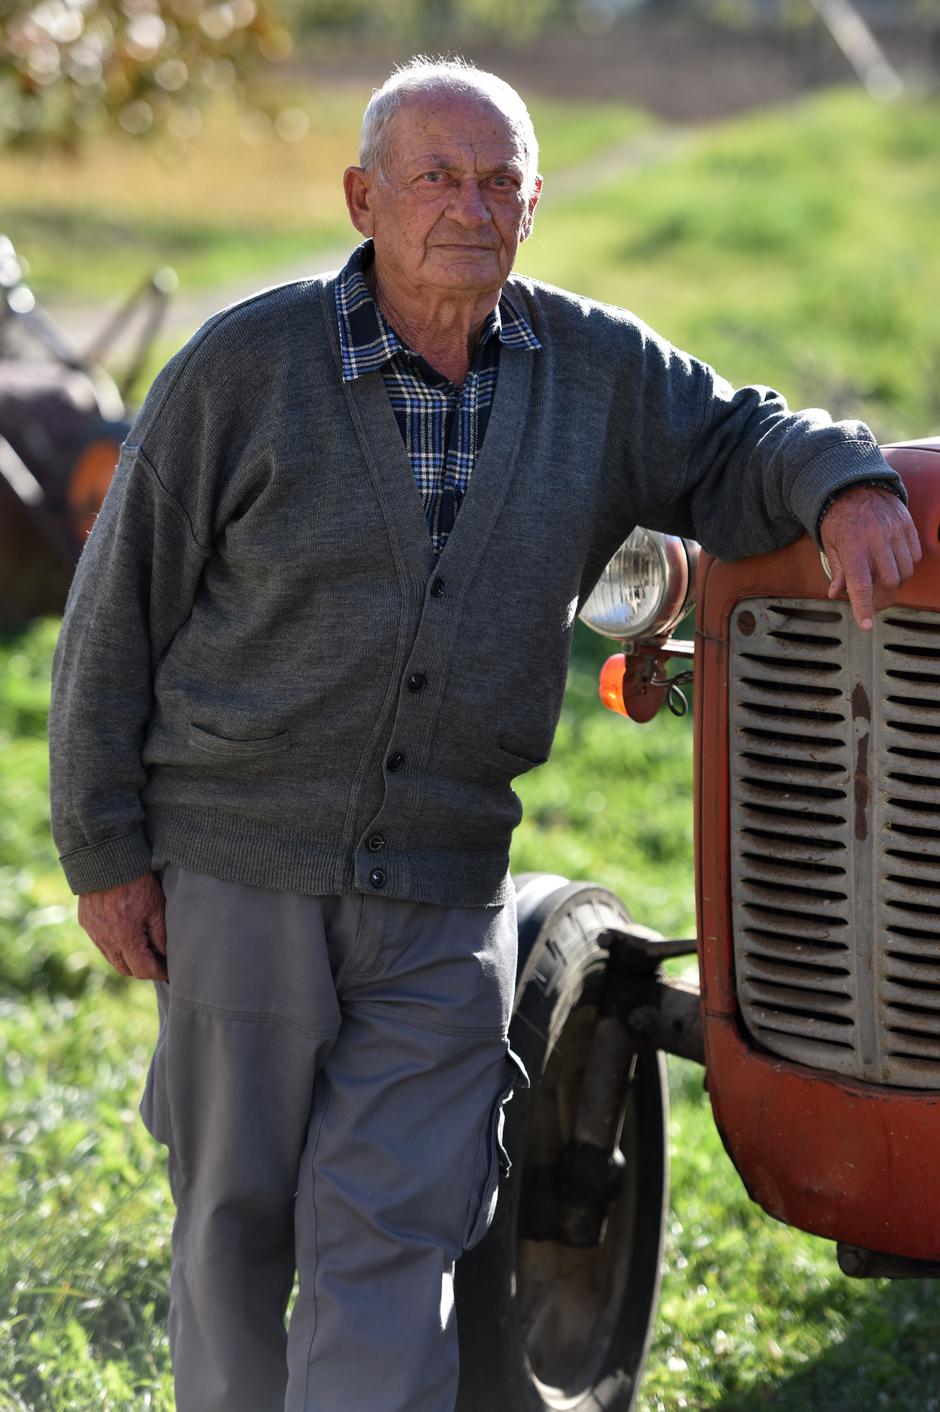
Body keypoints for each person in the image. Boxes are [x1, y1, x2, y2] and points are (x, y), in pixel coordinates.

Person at [48, 55, 920, 1412]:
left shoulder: (594, 369)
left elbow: (736, 438)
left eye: (500, 181)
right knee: (234, 1225)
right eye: (437, 177)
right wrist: (106, 853)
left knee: (397, 1232)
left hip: (446, 887)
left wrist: (847, 481)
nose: (471, 205)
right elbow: (114, 613)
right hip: (239, 870)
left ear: (533, 204)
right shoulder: (243, 366)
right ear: (363, 199)